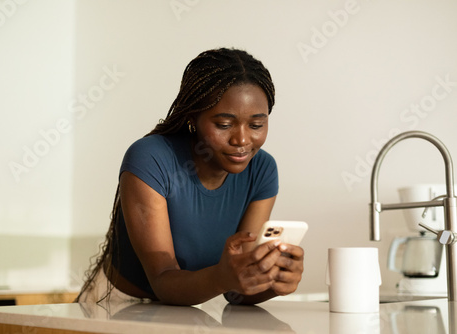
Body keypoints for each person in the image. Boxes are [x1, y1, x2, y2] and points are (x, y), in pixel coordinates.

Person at [76, 47, 304, 307]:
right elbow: (163, 281)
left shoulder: (262, 170)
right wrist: (222, 278)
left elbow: (235, 291)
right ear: (193, 118)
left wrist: (275, 282)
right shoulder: (151, 158)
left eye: (256, 125)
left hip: (189, 305)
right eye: (224, 124)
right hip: (117, 304)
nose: (242, 140)